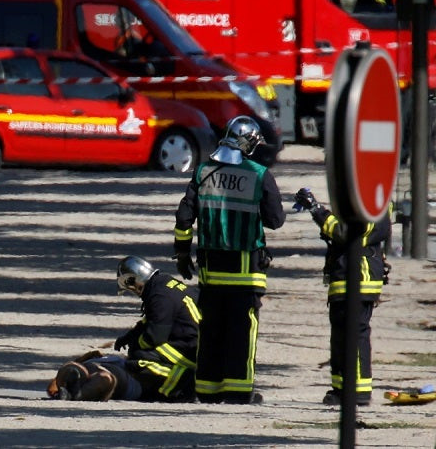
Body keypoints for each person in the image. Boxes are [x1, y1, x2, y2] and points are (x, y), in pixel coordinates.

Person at [173, 115, 285, 404]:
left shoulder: (202, 172)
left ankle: (207, 391)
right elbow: (275, 220)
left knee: (210, 331)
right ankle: (238, 391)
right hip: (246, 273)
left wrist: (183, 253)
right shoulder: (259, 174)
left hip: (210, 273)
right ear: (247, 143)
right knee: (241, 333)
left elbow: (184, 218)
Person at [47, 255, 200, 402]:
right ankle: (89, 382)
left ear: (132, 281)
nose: (134, 292)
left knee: (137, 358)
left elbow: (155, 336)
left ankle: (87, 379)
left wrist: (135, 345)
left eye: (130, 288)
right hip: (193, 353)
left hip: (180, 360)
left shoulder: (159, 295)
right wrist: (131, 335)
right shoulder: (167, 285)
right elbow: (154, 321)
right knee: (125, 366)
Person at [293, 188, 391, 406]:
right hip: (344, 276)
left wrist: (318, 211)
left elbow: (347, 233)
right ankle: (340, 388)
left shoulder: (374, 203)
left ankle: (358, 391)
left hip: (359, 277)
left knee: (354, 335)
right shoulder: (361, 197)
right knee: (340, 337)